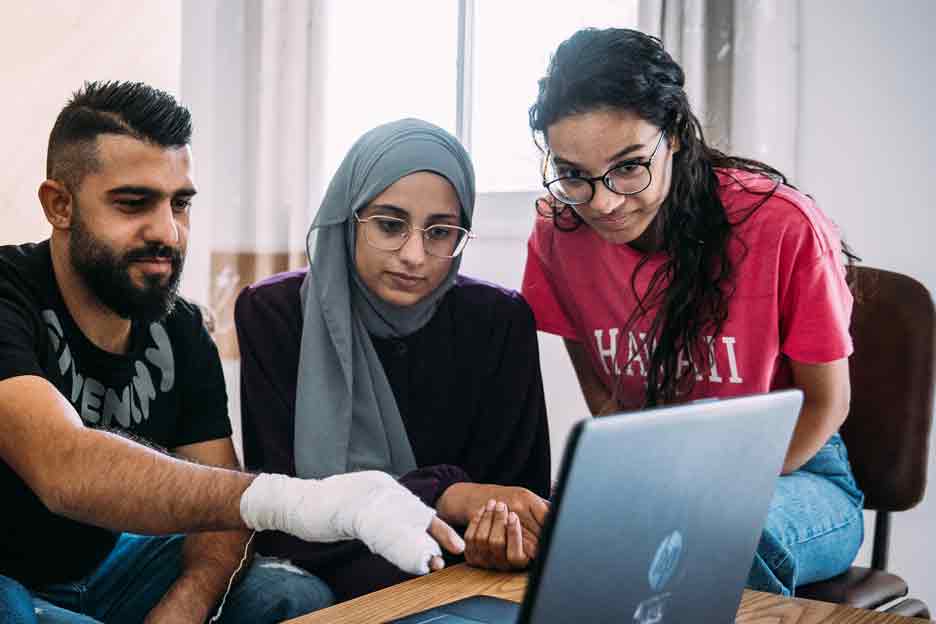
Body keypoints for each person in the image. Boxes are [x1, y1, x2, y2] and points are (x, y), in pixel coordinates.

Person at [0, 82, 463, 624]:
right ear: (60, 205)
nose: (167, 232)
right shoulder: (10, 295)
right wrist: (312, 502)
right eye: (133, 204)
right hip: (9, 579)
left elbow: (222, 512)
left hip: (109, 568)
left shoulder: (180, 328)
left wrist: (186, 605)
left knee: (291, 596)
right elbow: (62, 467)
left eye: (180, 203)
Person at [520, 28, 863, 596]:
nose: (602, 202)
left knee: (712, 538)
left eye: (628, 167)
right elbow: (608, 404)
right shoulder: (559, 236)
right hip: (656, 474)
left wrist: (696, 495)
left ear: (675, 135)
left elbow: (828, 404)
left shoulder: (782, 226)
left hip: (798, 473)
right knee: (543, 538)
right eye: (575, 174)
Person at [234, 118, 551, 601]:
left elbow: (518, 499)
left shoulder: (499, 321)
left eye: (441, 232)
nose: (414, 255)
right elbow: (278, 509)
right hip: (329, 556)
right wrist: (447, 495)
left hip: (467, 565)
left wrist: (504, 537)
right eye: (389, 225)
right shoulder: (275, 314)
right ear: (349, 215)